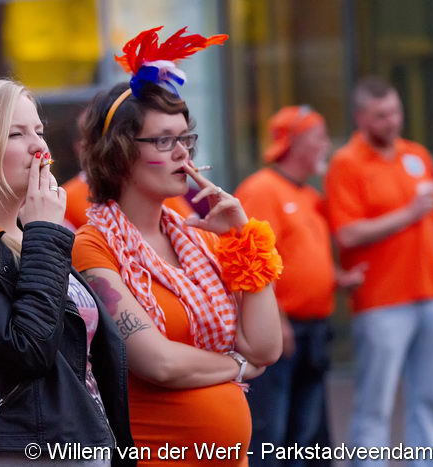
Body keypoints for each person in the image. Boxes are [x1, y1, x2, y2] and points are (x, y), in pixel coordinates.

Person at [72, 27, 282, 466]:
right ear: (119, 153)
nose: (183, 155)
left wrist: (241, 235)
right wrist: (238, 366)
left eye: (186, 139)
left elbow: (266, 348)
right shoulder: (92, 247)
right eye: (164, 140)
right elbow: (159, 363)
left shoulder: (200, 238)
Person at [0, 79, 134, 466]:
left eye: (39, 131)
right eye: (16, 134)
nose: (39, 148)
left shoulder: (36, 233)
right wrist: (44, 232)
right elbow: (28, 349)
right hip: (13, 453)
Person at [325, 77, 433, 466]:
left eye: (396, 111)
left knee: (431, 399)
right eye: (381, 115)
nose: (393, 121)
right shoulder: (346, 163)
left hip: (432, 297)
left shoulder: (417, 155)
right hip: (382, 302)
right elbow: (347, 233)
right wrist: (408, 214)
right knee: (375, 404)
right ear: (361, 118)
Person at [235, 106, 365, 466]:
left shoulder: (309, 196)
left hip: (314, 329)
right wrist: (278, 321)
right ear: (294, 144)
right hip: (282, 332)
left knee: (307, 435)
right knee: (272, 431)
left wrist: (338, 278)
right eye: (319, 137)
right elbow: (253, 262)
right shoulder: (262, 189)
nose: (326, 145)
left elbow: (301, 257)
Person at [63, 109, 194, 230]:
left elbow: (193, 229)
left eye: (184, 138)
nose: (183, 152)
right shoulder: (67, 198)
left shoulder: (160, 189)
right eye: (163, 140)